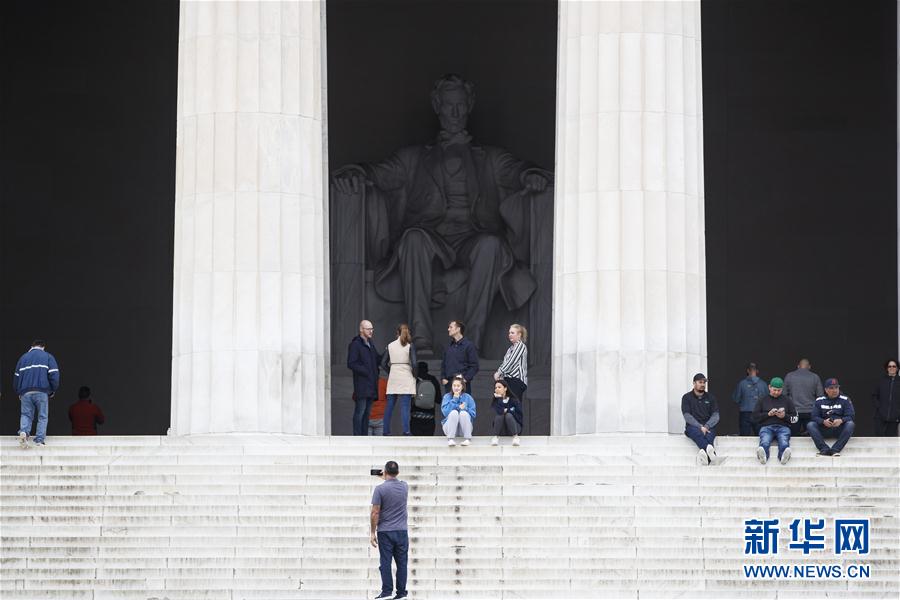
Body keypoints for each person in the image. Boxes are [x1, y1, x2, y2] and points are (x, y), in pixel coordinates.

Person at [332, 74, 551, 352]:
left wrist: (532, 176)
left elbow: (519, 170)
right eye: (449, 105)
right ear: (437, 106)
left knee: (492, 245)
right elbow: (379, 173)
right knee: (412, 239)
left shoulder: (491, 159)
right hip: (430, 237)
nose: (455, 112)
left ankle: (470, 342)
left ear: (469, 105)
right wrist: (356, 172)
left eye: (460, 104)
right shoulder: (413, 159)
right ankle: (419, 338)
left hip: (473, 238)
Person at [370, 460, 409, 600]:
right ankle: (401, 593)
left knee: (385, 562)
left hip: (385, 531)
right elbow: (397, 482)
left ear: (385, 472)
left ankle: (387, 592)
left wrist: (372, 532)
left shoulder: (380, 489)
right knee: (402, 563)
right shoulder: (405, 487)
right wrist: (387, 477)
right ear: (398, 472)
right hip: (402, 531)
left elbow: (375, 512)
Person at [14, 339, 60, 448]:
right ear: (43, 347)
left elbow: (16, 377)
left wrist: (19, 391)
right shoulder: (48, 356)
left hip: (25, 392)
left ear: (32, 346)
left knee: (26, 414)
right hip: (42, 391)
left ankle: (24, 432)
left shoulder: (23, 358)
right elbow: (54, 375)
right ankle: (39, 440)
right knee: (42, 416)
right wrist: (52, 390)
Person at [382, 324, 418, 436]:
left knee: (390, 405)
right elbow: (415, 364)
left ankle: (386, 431)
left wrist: (391, 371)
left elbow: (383, 363)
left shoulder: (390, 345)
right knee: (405, 406)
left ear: (397, 333)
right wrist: (414, 376)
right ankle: (406, 431)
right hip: (406, 375)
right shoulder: (410, 346)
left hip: (394, 375)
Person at [347, 320, 381, 436]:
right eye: (368, 329)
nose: (371, 331)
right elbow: (351, 363)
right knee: (360, 412)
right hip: (362, 385)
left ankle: (364, 436)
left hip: (371, 385)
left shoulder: (371, 344)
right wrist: (366, 371)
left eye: (372, 329)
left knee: (367, 413)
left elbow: (377, 360)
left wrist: (388, 353)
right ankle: (357, 436)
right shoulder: (356, 344)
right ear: (361, 329)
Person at [752, 377, 796, 465]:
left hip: (783, 427)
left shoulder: (787, 400)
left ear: (782, 389)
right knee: (765, 440)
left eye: (779, 390)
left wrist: (784, 416)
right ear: (769, 387)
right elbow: (754, 417)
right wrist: (768, 414)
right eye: (774, 390)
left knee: (784, 440)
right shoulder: (762, 399)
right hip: (766, 426)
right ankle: (763, 455)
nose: (776, 392)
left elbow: (795, 418)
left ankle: (783, 456)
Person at [807, 378, 856, 456]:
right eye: (831, 388)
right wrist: (823, 421)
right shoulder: (819, 400)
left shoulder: (845, 399)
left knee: (850, 424)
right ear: (826, 390)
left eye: (836, 387)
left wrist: (841, 420)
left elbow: (851, 416)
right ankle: (824, 449)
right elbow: (814, 416)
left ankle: (835, 450)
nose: (835, 390)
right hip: (824, 429)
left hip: (839, 429)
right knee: (810, 425)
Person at [681, 373, 720, 466]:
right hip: (693, 426)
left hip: (708, 426)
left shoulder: (711, 397)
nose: (703, 384)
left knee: (709, 435)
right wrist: (700, 426)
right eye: (700, 382)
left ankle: (705, 454)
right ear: (694, 383)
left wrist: (706, 426)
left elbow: (716, 415)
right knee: (697, 433)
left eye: (704, 382)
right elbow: (687, 416)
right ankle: (710, 452)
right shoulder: (686, 398)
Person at [783, 358, 824, 435]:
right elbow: (820, 396)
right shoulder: (815, 377)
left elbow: (784, 395)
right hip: (810, 411)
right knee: (811, 438)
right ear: (809, 367)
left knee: (793, 437)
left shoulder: (789, 376)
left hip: (794, 411)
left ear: (798, 366)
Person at [440, 320, 479, 393]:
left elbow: (474, 366)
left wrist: (465, 379)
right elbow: (443, 364)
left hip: (462, 384)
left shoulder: (469, 345)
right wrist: (443, 378)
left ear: (458, 329)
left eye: (451, 327)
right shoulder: (448, 346)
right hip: (449, 384)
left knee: (463, 404)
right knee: (450, 404)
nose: (448, 329)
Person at [731, 362, 767, 436]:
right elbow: (768, 400)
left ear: (748, 371)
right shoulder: (763, 384)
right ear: (757, 371)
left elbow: (736, 399)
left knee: (744, 438)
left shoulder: (741, 384)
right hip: (759, 413)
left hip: (745, 413)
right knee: (760, 437)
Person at [494, 324, 528, 400]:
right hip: (508, 381)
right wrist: (500, 375)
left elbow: (511, 362)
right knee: (508, 406)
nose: (510, 335)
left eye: (512, 333)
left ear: (519, 335)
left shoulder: (520, 346)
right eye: (509, 333)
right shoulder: (510, 349)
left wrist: (499, 372)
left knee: (514, 407)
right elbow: (505, 363)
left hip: (516, 380)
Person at [441, 376, 476, 446]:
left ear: (462, 387)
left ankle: (467, 439)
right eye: (454, 385)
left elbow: (473, 414)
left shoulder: (468, 397)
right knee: (454, 413)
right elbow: (445, 412)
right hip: (449, 428)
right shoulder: (447, 397)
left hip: (463, 430)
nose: (456, 388)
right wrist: (455, 399)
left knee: (463, 413)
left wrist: (465, 408)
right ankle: (450, 439)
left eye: (458, 386)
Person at [411, 362, 441, 436]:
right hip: (430, 418)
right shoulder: (433, 380)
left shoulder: (414, 380)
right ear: (427, 369)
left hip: (415, 418)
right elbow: (439, 400)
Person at [490, 379, 523, 446]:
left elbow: (518, 414)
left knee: (508, 415)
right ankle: (496, 437)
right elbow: (500, 411)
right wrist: (499, 398)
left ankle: (515, 437)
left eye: (499, 387)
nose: (497, 389)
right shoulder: (495, 401)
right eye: (495, 388)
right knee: (500, 415)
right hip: (502, 430)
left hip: (515, 427)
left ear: (505, 388)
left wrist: (507, 411)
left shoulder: (514, 400)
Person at [872, 358, 899, 436]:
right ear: (887, 368)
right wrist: (879, 407)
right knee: (878, 439)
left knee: (890, 440)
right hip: (880, 416)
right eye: (889, 366)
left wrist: (898, 412)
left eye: (894, 366)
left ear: (897, 368)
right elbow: (874, 395)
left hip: (894, 417)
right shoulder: (881, 381)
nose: (891, 368)